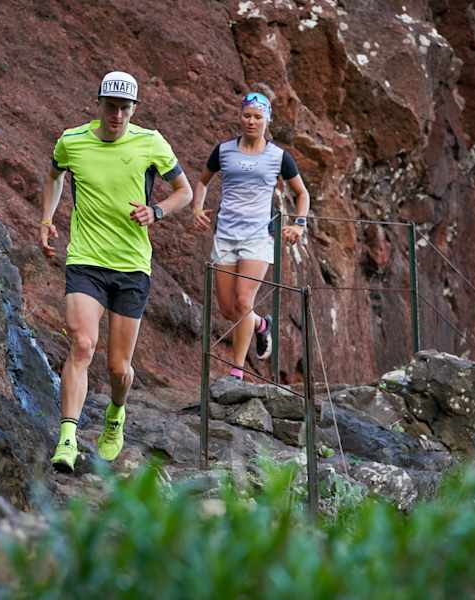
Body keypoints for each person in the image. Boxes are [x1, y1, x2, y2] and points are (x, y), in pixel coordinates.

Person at [41, 71, 192, 472]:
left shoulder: (151, 142)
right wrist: (46, 219)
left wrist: (156, 211)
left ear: (134, 109)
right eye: (111, 107)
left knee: (118, 368)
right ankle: (67, 439)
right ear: (99, 103)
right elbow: (54, 176)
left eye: (126, 108)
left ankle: (116, 412)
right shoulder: (72, 141)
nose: (118, 115)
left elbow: (185, 192)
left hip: (131, 266)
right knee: (82, 344)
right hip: (86, 260)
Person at [192, 91, 310, 382]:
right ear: (240, 116)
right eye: (247, 115)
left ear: (267, 120)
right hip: (226, 235)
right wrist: (197, 208)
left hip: (258, 237)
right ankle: (260, 325)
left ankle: (237, 371)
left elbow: (301, 193)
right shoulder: (223, 151)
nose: (251, 121)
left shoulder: (278, 157)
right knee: (228, 309)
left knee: (244, 301)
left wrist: (299, 224)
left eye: (258, 116)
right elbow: (203, 181)